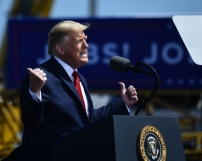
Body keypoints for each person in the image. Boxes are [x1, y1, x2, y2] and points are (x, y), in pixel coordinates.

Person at [3, 20, 138, 161]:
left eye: (86, 40)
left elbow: (87, 119)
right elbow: (31, 123)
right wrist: (35, 92)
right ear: (61, 49)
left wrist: (123, 103)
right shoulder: (40, 77)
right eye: (79, 41)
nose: (86, 45)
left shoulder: (80, 79)